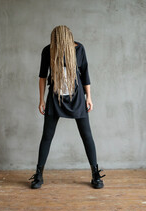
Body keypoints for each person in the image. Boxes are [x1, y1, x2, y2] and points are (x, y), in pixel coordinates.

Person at [28, 25, 106, 189]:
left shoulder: (79, 49)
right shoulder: (48, 50)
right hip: (55, 98)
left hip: (76, 98)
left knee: (87, 136)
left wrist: (89, 97)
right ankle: (39, 175)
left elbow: (85, 73)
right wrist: (41, 100)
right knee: (47, 137)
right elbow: (42, 76)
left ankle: (95, 175)